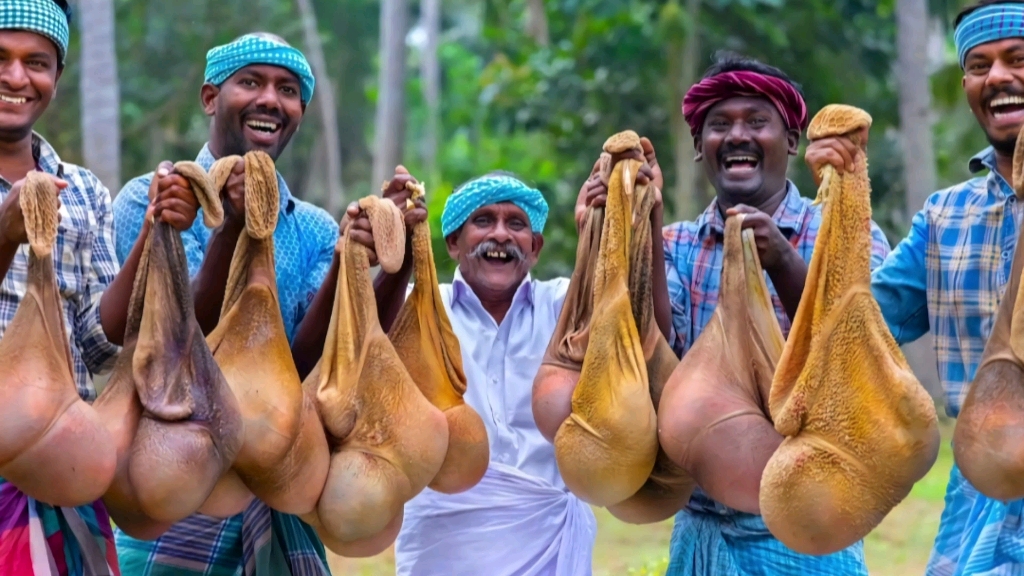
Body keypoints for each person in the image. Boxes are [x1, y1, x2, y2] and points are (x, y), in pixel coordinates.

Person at [293, 166, 675, 575]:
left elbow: (646, 340)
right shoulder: (416, 310)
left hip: (549, 547)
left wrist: (641, 212)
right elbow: (356, 349)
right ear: (454, 242)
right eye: (483, 221)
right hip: (441, 553)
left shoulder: (564, 306)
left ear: (535, 247)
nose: (500, 235)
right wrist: (396, 252)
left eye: (516, 224)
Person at [606, 52, 893, 575]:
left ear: (790, 141)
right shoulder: (677, 244)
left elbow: (861, 350)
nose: (737, 135)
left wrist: (784, 261)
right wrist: (644, 221)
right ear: (699, 148)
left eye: (757, 122)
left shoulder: (842, 231)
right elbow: (657, 358)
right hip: (701, 532)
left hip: (808, 529)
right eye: (719, 125)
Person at [110, 32, 341, 576]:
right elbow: (172, 349)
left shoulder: (313, 228)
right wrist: (232, 228)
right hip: (175, 480)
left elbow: (305, 366)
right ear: (211, 98)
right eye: (250, 82)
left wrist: (366, 265)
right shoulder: (151, 198)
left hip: (278, 478)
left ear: (299, 113)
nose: (269, 100)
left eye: (287, 90)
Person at [807, 1, 1024, 574]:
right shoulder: (945, 217)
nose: (998, 77)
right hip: (979, 495)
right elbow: (854, 330)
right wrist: (843, 198)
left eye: (1018, 58)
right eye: (979, 66)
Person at [0, 1, 200, 573]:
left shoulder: (81, 189)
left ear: (56, 79)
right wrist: (6, 236)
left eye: (36, 62)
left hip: (67, 475)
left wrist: (151, 232)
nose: (17, 78)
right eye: (1, 58)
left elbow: (97, 343)